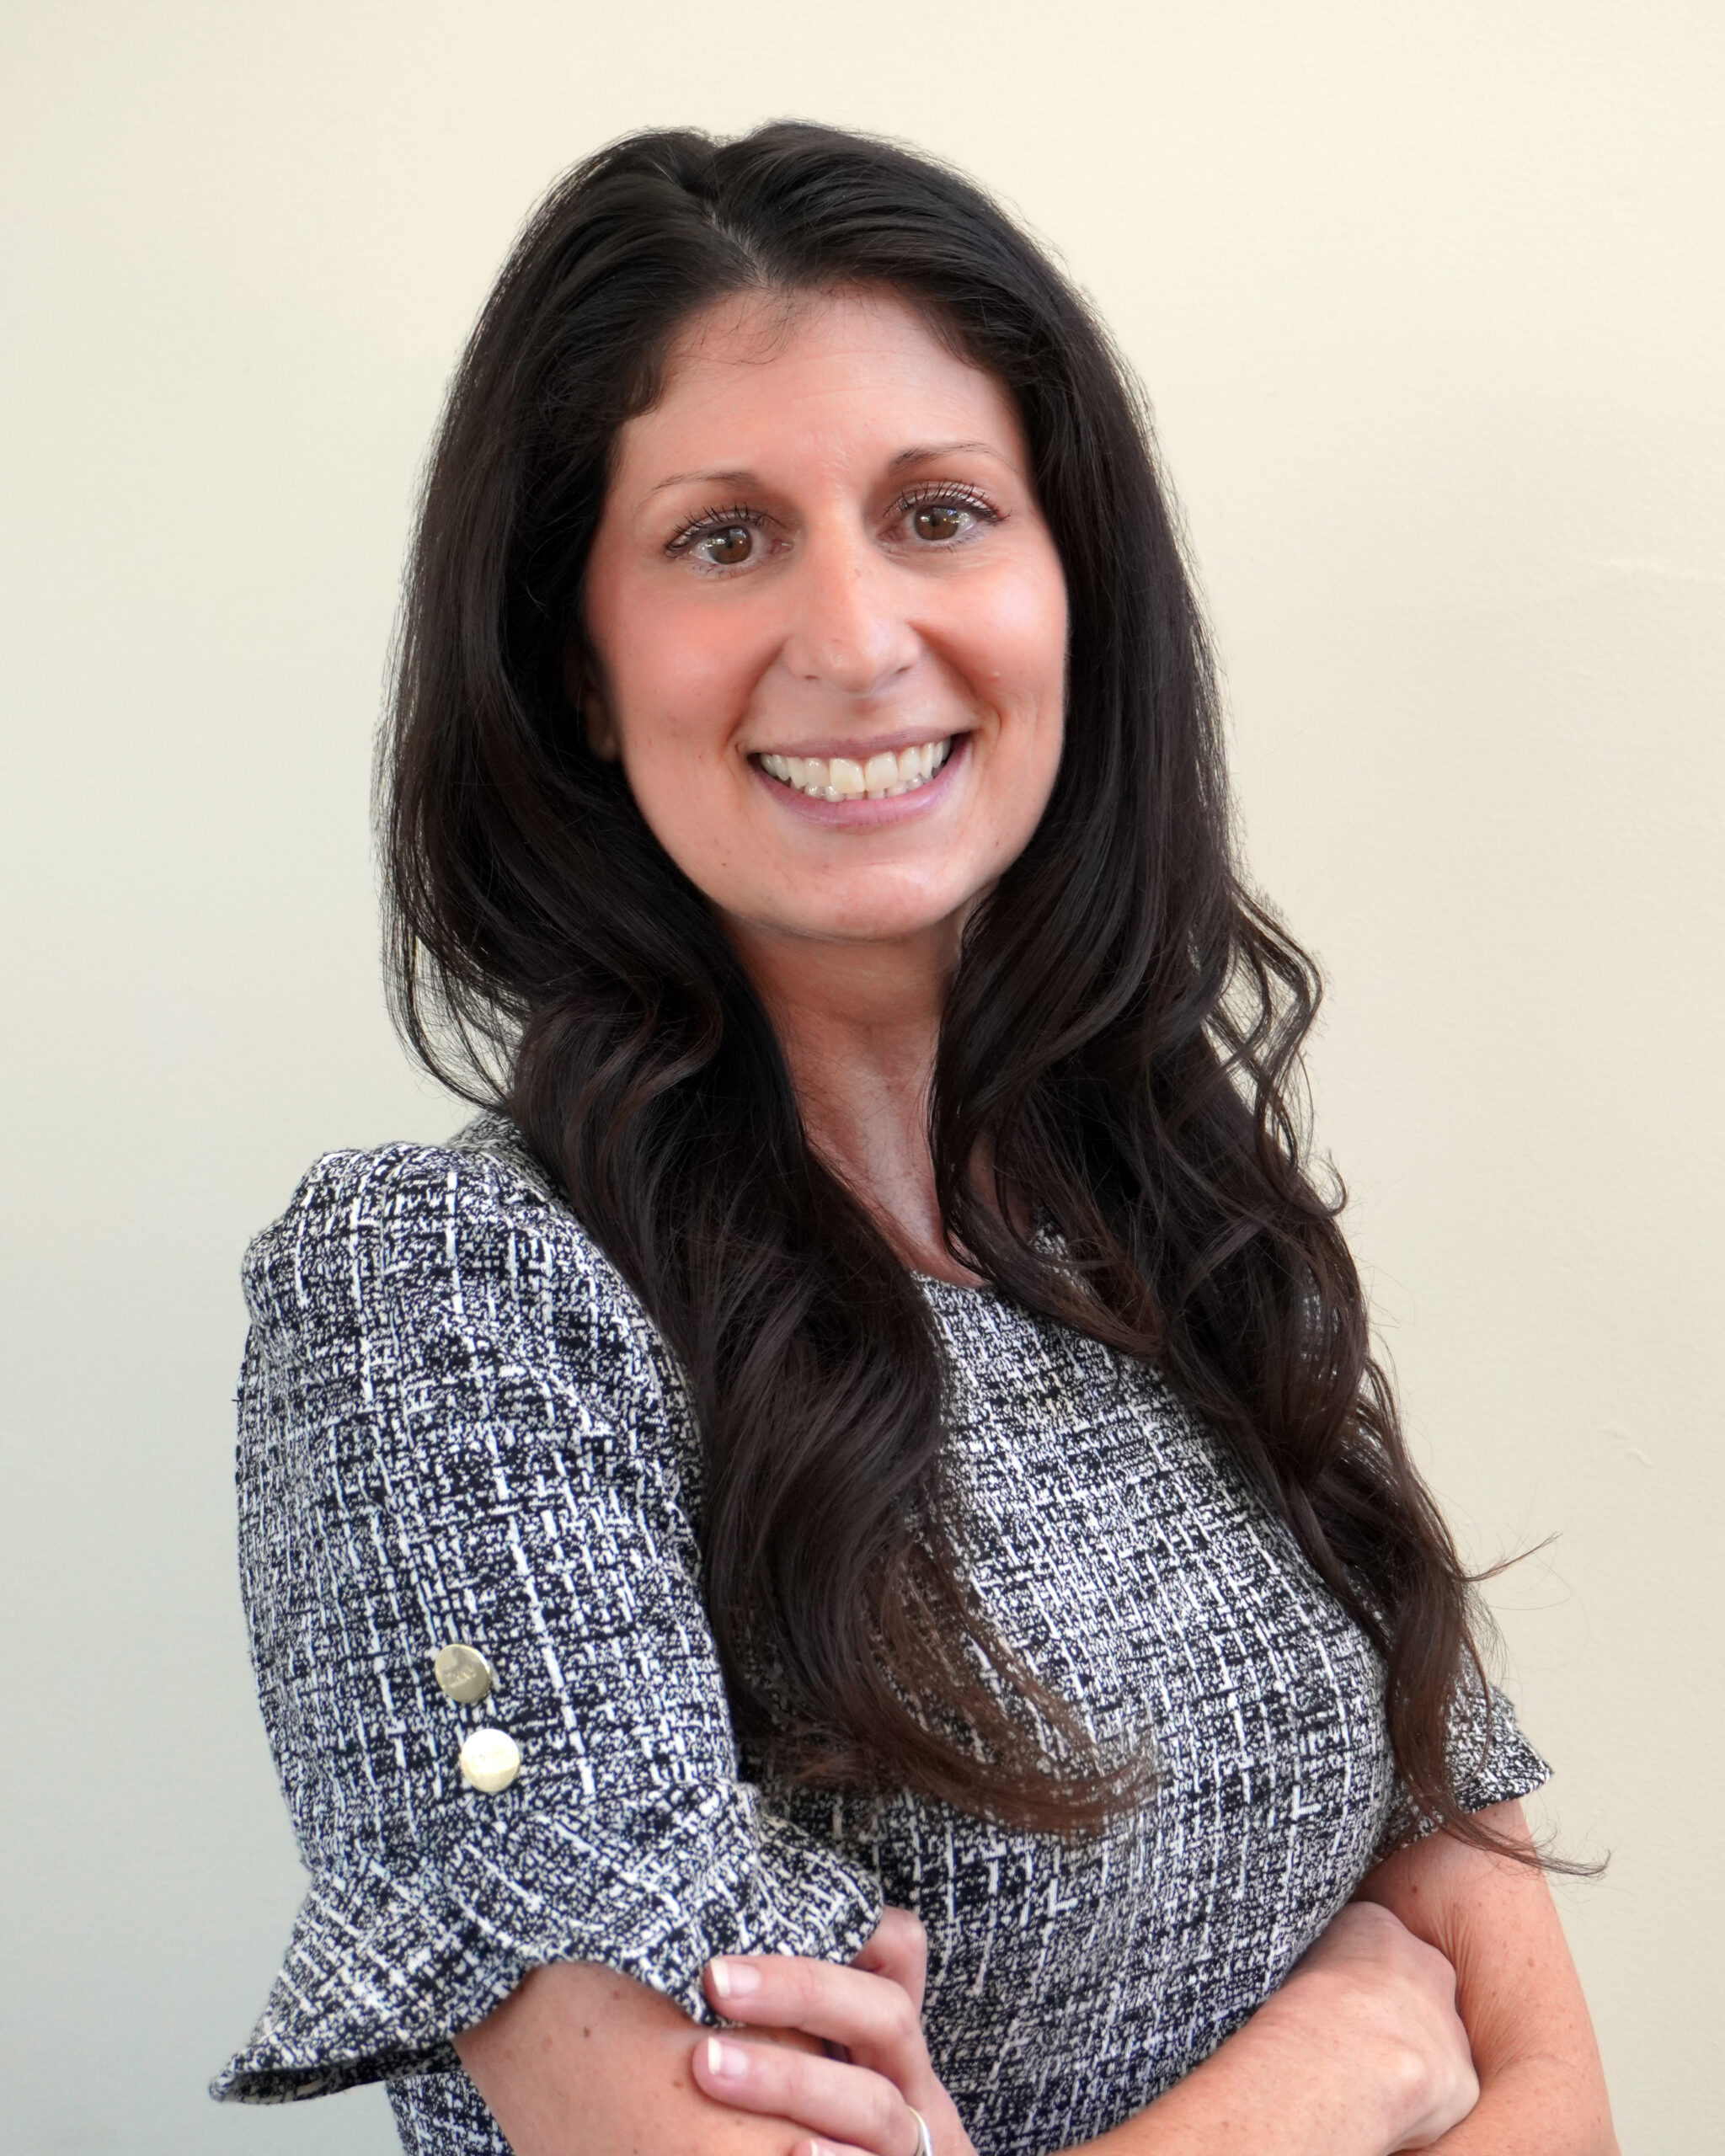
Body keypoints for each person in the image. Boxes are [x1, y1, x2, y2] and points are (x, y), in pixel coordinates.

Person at [211, 123, 1616, 2155]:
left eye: (941, 512)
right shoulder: (442, 1304)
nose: (858, 636)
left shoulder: (1173, 1200)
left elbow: (1528, 2021)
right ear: (578, 669)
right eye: (721, 537)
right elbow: (1433, 2023)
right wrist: (1341, 2067)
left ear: (1074, 591)